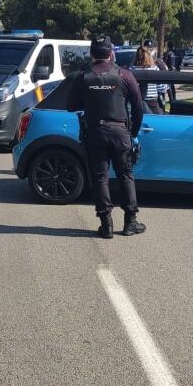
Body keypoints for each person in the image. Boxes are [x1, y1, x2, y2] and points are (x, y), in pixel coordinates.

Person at [67, 35, 146, 239]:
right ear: (111, 52)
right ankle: (130, 222)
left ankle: (106, 224)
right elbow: (138, 108)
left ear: (92, 54)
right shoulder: (124, 75)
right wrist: (134, 133)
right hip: (120, 132)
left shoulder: (83, 76)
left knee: (100, 177)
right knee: (126, 175)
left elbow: (70, 106)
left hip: (95, 132)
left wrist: (91, 98)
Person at [131, 47, 165, 115]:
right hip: (152, 102)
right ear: (149, 56)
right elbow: (162, 88)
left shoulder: (131, 70)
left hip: (136, 101)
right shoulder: (154, 69)